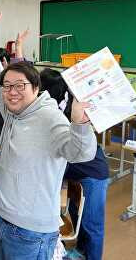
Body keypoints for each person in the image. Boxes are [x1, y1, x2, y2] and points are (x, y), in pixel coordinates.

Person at [0, 13, 97, 260]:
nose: (12, 92)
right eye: (8, 86)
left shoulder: (50, 118)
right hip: (3, 221)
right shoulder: (13, 110)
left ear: (36, 88)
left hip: (30, 233)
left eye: (19, 86)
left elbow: (81, 153)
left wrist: (79, 124)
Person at [40, 68, 109, 260]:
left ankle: (93, 256)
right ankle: (81, 251)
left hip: (93, 173)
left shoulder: (71, 112)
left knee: (92, 224)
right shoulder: (55, 109)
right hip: (75, 173)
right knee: (76, 215)